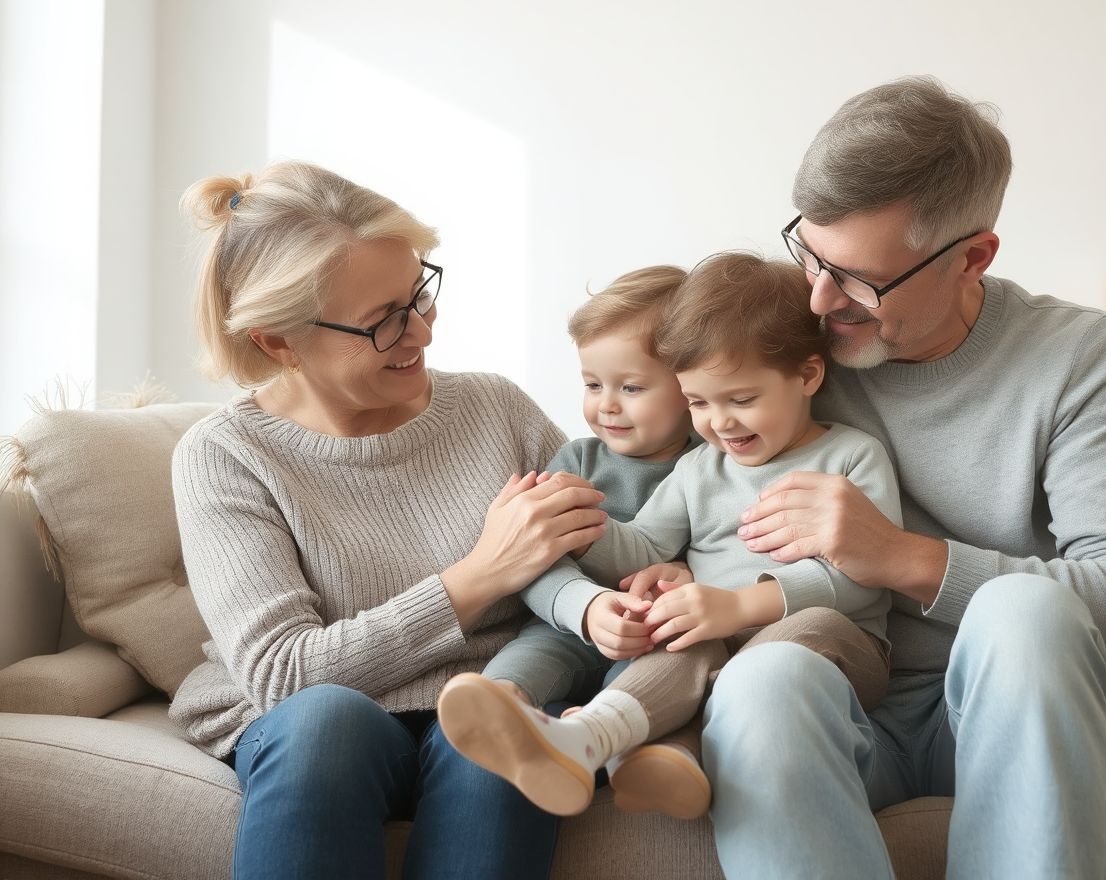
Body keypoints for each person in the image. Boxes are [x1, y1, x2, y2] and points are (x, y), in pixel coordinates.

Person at [706, 77, 1106, 878]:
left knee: (1024, 611)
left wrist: (902, 556)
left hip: (1019, 700)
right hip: (845, 697)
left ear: (973, 256)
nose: (821, 301)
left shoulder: (1077, 356)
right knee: (762, 682)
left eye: (860, 279)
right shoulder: (789, 342)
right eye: (810, 255)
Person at [167, 161, 608, 880]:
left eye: (420, 296)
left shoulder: (495, 408)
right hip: (315, 725)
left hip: (491, 695)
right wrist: (478, 576)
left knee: (502, 726)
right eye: (383, 323)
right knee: (325, 722)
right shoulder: (226, 455)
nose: (422, 334)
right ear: (278, 342)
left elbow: (607, 552)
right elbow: (282, 674)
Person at [439, 252, 901, 824]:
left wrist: (737, 605)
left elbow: (863, 577)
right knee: (680, 639)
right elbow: (644, 550)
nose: (720, 424)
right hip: (719, 642)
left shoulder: (851, 455)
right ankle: (591, 741)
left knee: (795, 634)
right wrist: (582, 523)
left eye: (741, 399)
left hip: (831, 645)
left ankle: (655, 743)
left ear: (808, 376)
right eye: (700, 403)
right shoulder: (699, 468)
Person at [478, 264, 708, 818]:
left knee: (660, 689)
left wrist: (692, 581)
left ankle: (625, 760)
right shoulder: (576, 462)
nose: (606, 404)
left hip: (655, 639)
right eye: (592, 384)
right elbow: (535, 564)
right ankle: (500, 717)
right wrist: (585, 608)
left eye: (631, 387)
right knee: (513, 669)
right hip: (565, 627)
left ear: (690, 384)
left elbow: (726, 550)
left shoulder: (713, 466)